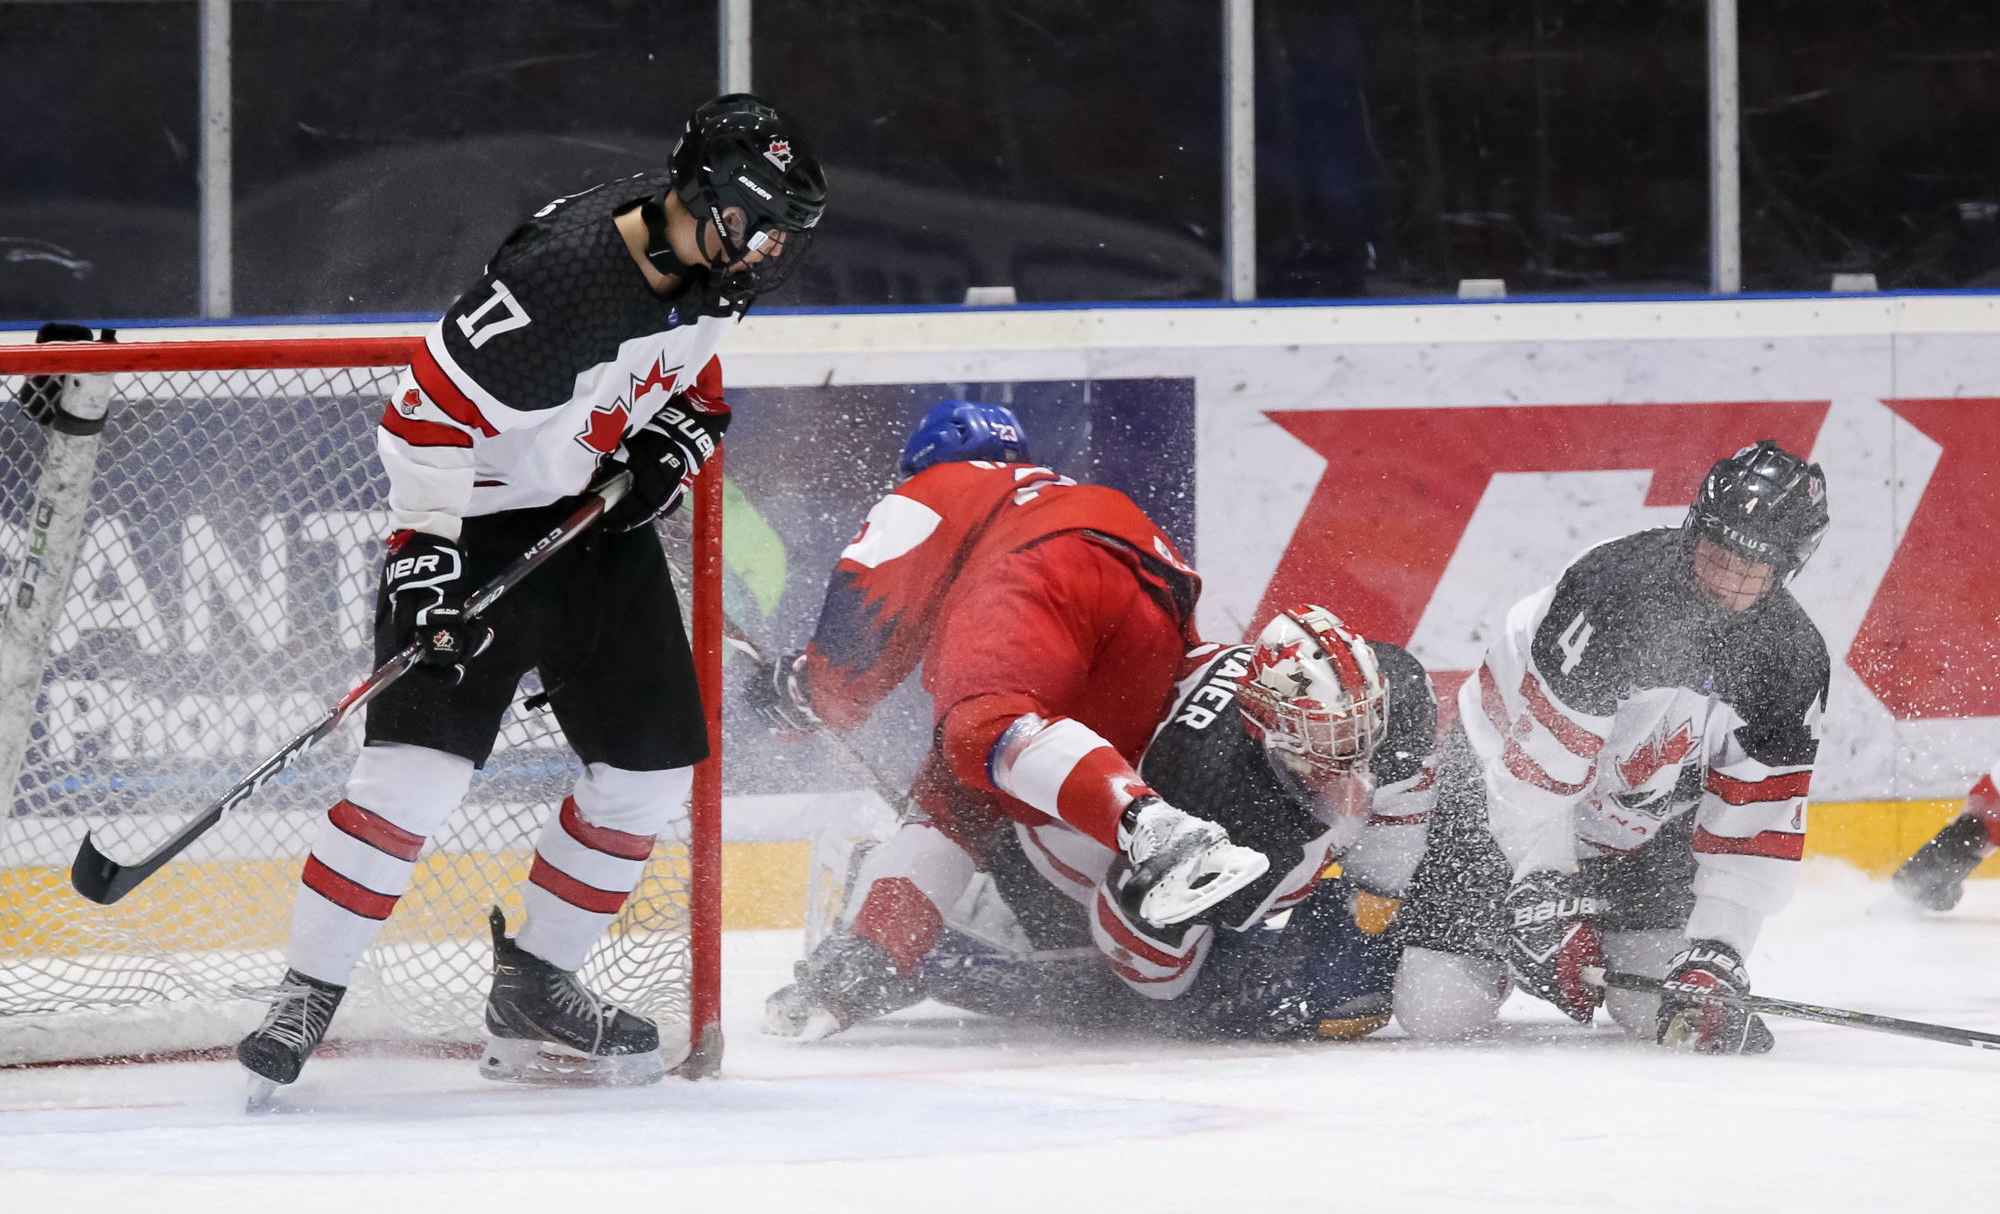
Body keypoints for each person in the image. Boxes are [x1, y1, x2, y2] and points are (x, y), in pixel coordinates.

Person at [235, 94, 827, 1093]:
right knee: (413, 778)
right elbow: (418, 417)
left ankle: (535, 987)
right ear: (705, 198)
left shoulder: (713, 267)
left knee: (645, 771)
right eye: (757, 223)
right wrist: (425, 552)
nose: (767, 249)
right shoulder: (560, 279)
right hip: (474, 524)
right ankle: (307, 991)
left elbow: (687, 373)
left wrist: (676, 437)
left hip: (591, 530)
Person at [746, 400, 1271, 1035]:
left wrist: (810, 688)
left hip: (1043, 570)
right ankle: (869, 959)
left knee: (980, 730)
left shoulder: (934, 488)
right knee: (965, 790)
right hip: (1151, 608)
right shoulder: (1057, 493)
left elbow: (865, 620)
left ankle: (1164, 837)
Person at [779, 602, 1439, 1043]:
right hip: (1085, 841)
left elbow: (1396, 798)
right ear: (1262, 723)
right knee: (1100, 999)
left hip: (1119, 770)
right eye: (1324, 738)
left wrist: (1374, 899)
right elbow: (1140, 953)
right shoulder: (1209, 794)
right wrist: (1233, 990)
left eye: (1362, 727)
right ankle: (905, 930)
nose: (1352, 753)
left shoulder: (1393, 693)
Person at [1392, 440, 1830, 1056]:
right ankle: (1490, 942)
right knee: (1438, 1009)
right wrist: (1540, 888)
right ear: (1695, 527)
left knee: (1656, 1004)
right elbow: (1534, 769)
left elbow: (1755, 824)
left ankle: (1593, 932)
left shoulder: (1791, 660)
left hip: (1644, 827)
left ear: (1789, 566)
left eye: (1751, 568)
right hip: (1497, 789)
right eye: (1718, 553)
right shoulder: (1613, 592)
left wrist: (1719, 949)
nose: (1728, 580)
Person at [1891, 771, 1999, 910]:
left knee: (1972, 844)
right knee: (1970, 836)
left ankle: (1934, 887)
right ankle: (1917, 876)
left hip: (1982, 823)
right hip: (1984, 813)